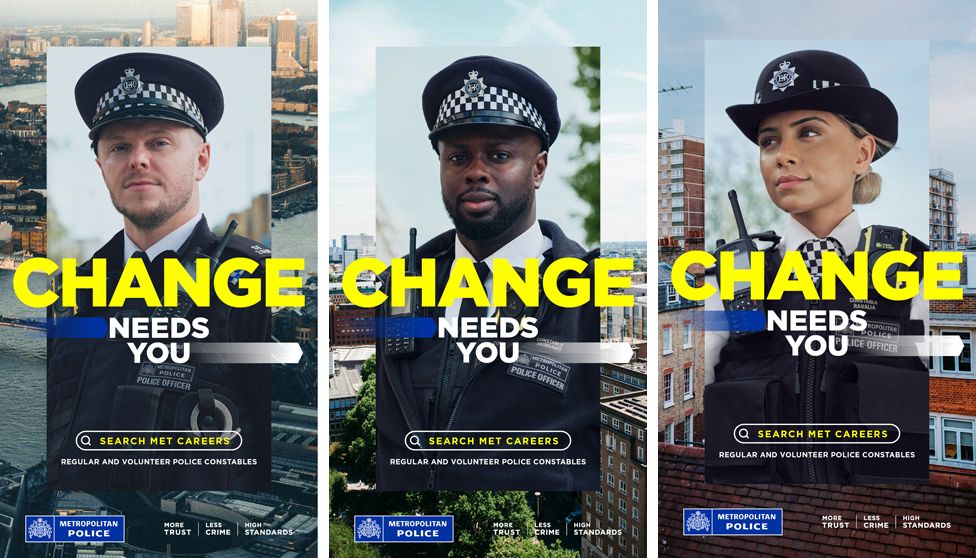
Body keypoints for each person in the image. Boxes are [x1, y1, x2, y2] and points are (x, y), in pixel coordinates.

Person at [374, 55, 600, 490]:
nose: (475, 172)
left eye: (499, 155)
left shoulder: (593, 297)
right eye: (457, 157)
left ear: (538, 169)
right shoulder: (397, 288)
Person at [46, 52, 271, 490]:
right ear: (101, 167)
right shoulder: (73, 289)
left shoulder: (257, 283)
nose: (138, 160)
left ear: (202, 160)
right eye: (119, 147)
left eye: (159, 142)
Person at [704, 49, 929, 484]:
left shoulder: (916, 277)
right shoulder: (729, 282)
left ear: (862, 153)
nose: (781, 156)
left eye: (808, 132)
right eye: (769, 140)